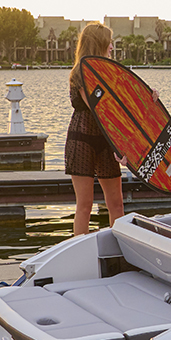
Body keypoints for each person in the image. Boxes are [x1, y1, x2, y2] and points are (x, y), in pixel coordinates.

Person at [66, 22, 124, 234]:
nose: (111, 47)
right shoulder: (80, 72)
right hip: (82, 139)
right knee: (85, 205)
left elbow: (127, 103)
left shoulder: (112, 72)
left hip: (106, 140)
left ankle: (119, 253)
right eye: (109, 43)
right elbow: (97, 108)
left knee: (116, 204)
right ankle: (80, 256)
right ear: (98, 44)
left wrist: (148, 96)